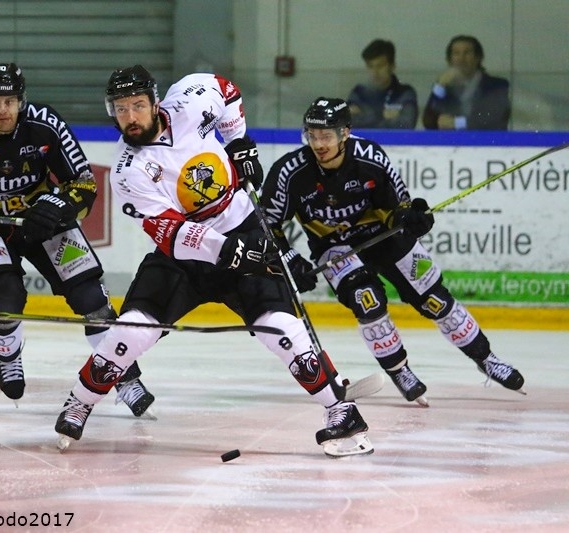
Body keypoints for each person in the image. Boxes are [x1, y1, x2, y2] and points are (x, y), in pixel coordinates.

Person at [52, 65, 375, 458]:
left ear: (155, 102)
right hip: (183, 259)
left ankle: (341, 411)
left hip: (242, 226)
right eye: (121, 109)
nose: (130, 117)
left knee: (281, 328)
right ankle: (80, 401)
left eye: (138, 105)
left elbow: (228, 91)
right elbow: (168, 232)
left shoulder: (191, 97)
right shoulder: (127, 170)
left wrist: (239, 140)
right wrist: (225, 251)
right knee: (132, 330)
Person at [0, 62, 154, 416]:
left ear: (22, 101)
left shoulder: (45, 124)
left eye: (9, 101)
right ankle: (8, 357)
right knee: (4, 297)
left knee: (90, 298)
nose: (2, 110)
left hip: (40, 220)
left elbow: (83, 185)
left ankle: (124, 377)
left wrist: (58, 207)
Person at [260, 96, 526, 406]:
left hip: (382, 235)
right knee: (367, 301)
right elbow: (266, 223)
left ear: (345, 133)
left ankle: (487, 358)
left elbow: (398, 205)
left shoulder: (371, 157)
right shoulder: (290, 172)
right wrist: (289, 258)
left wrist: (410, 218)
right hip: (334, 246)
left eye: (327, 135)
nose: (318, 143)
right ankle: (400, 370)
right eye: (312, 135)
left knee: (435, 299)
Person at [423, 35, 510, 130]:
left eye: (467, 53)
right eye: (456, 53)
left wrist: (457, 123)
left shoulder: (497, 85)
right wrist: (440, 86)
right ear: (450, 59)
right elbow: (428, 121)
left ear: (478, 57)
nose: (461, 58)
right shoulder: (444, 87)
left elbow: (495, 118)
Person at [347, 38, 418, 129]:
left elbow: (408, 124)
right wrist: (385, 116)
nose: (375, 72)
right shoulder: (358, 93)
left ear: (392, 66)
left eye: (380, 66)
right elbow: (346, 124)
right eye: (370, 66)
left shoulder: (405, 93)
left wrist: (364, 114)